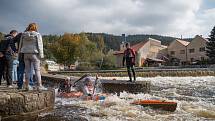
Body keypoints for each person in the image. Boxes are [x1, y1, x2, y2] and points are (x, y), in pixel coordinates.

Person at [19, 23, 45, 91]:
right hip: (34, 53)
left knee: (27, 70)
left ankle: (27, 86)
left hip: (25, 53)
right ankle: (39, 86)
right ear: (35, 27)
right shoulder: (37, 34)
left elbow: (20, 45)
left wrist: (20, 53)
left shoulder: (23, 34)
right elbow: (40, 45)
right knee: (37, 70)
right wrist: (41, 55)